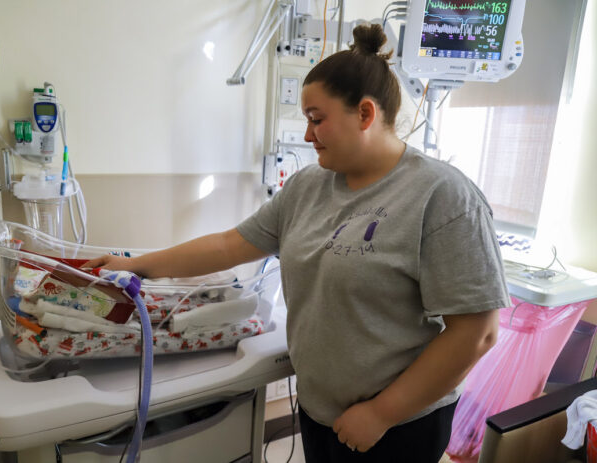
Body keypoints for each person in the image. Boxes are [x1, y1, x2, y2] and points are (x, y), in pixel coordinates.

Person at [84, 23, 509, 463]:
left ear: (365, 114)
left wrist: (382, 413)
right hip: (320, 410)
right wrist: (137, 265)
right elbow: (229, 245)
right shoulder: (308, 186)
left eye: (317, 119)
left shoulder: (441, 196)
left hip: (398, 424)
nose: (307, 136)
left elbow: (476, 333)